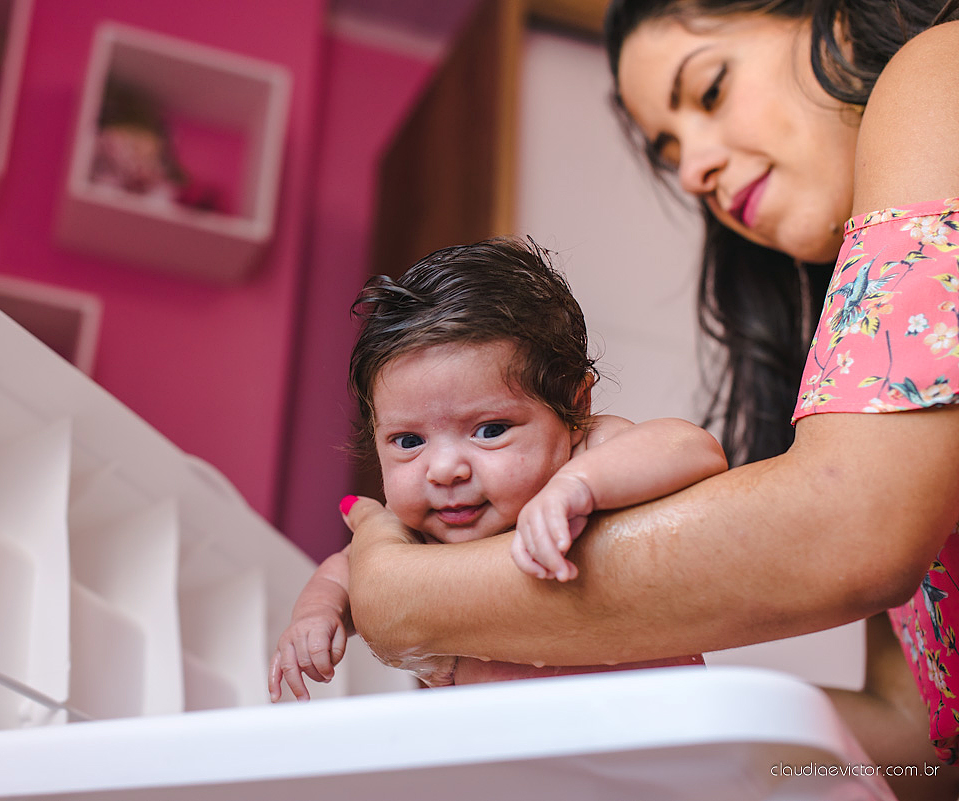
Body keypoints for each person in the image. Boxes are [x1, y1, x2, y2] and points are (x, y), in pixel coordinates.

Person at [340, 2, 959, 798]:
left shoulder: (940, 69)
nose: (693, 171)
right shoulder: (873, 334)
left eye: (710, 89)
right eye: (670, 151)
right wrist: (593, 709)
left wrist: (407, 595)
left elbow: (854, 525)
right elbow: (918, 737)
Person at [268, 237, 725, 701]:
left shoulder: (588, 454)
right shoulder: (414, 531)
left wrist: (581, 485)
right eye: (409, 441)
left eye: (489, 430)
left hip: (654, 723)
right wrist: (316, 615)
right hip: (501, 740)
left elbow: (694, 447)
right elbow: (343, 572)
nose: (444, 470)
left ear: (575, 406)